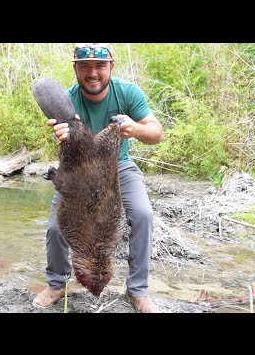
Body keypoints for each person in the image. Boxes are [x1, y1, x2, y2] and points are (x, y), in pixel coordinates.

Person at [33, 43, 163, 313]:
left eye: (99, 66)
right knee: (56, 229)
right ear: (76, 69)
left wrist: (135, 128)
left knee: (143, 215)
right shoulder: (67, 100)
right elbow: (68, 147)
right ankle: (57, 284)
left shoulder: (127, 92)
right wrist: (63, 136)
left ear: (111, 67)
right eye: (85, 66)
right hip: (79, 175)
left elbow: (156, 133)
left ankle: (138, 291)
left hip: (119, 168)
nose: (93, 73)